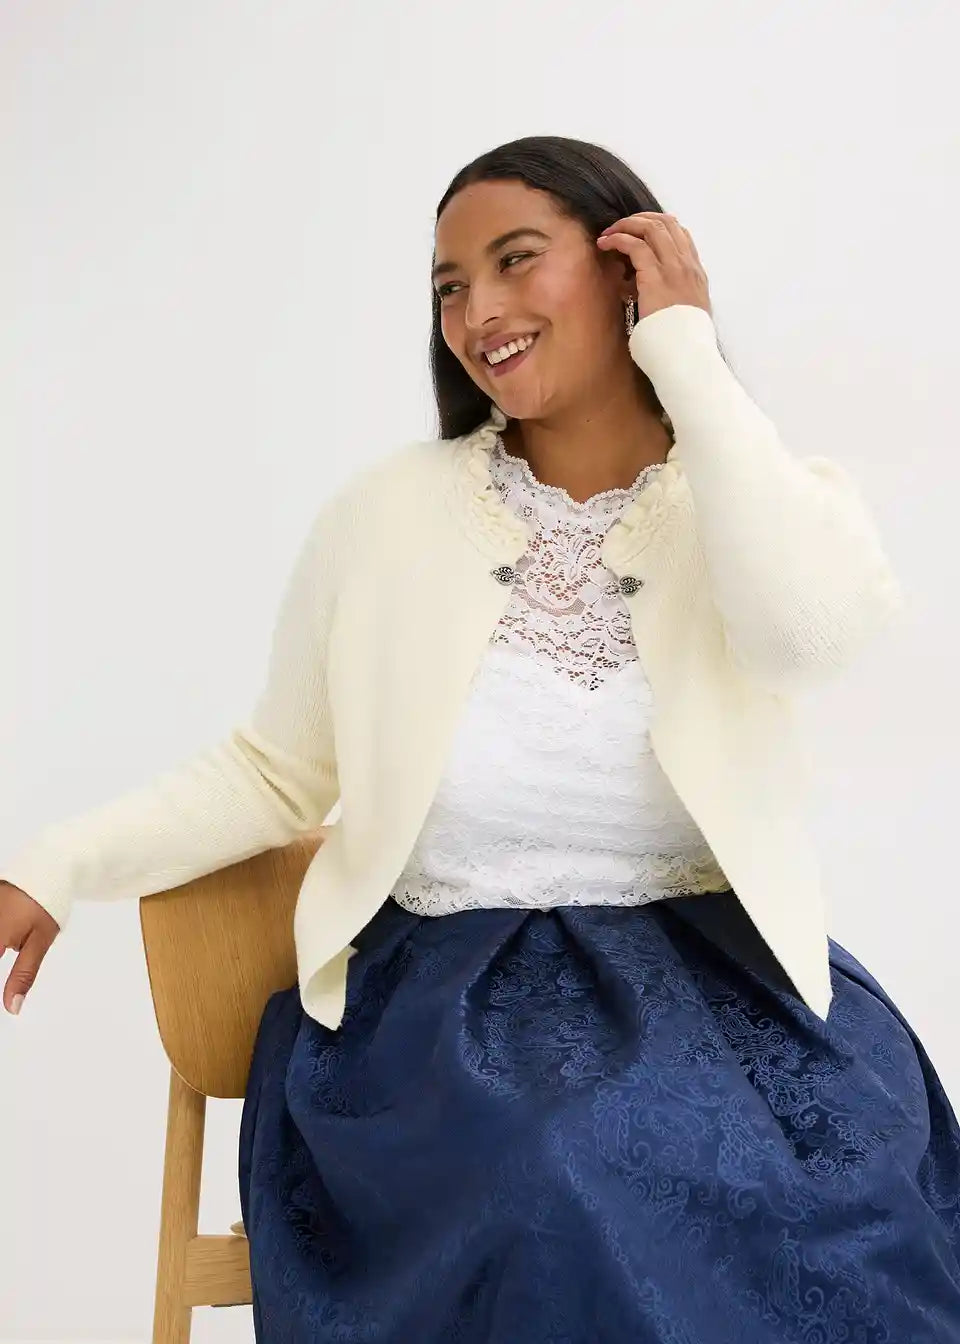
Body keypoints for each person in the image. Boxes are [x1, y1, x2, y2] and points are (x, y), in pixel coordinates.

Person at [2, 134, 959, 1342]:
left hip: (727, 993)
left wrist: (686, 356)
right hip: (447, 1020)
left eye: (516, 261)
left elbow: (806, 639)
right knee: (562, 1174)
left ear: (626, 268)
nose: (478, 313)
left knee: (854, 1203)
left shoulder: (754, 498)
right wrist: (55, 863)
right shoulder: (388, 518)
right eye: (450, 285)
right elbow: (273, 771)